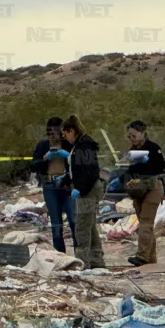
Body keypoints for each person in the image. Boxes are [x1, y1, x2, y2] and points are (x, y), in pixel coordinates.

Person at [107, 120, 165, 267]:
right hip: (138, 189)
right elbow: (131, 170)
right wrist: (120, 179)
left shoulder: (153, 148)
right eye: (129, 136)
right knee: (143, 223)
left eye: (134, 136)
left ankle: (142, 256)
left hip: (152, 188)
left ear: (142, 132)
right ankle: (150, 257)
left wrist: (147, 161)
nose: (132, 139)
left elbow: (160, 166)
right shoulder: (133, 149)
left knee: (146, 222)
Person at [56, 115, 105, 269]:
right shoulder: (80, 146)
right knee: (90, 226)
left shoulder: (85, 147)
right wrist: (66, 179)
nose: (65, 138)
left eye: (65, 134)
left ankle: (82, 262)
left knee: (82, 227)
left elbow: (90, 171)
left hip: (88, 190)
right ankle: (96, 259)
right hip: (86, 188)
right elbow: (77, 169)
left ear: (72, 131)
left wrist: (81, 188)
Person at [30, 117, 77, 254]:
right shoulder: (43, 145)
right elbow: (33, 165)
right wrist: (44, 159)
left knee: (73, 219)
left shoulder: (68, 144)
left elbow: (78, 162)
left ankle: (79, 251)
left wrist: (68, 156)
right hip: (50, 184)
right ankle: (60, 253)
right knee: (56, 222)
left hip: (66, 184)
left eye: (56, 133)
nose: (53, 136)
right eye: (50, 133)